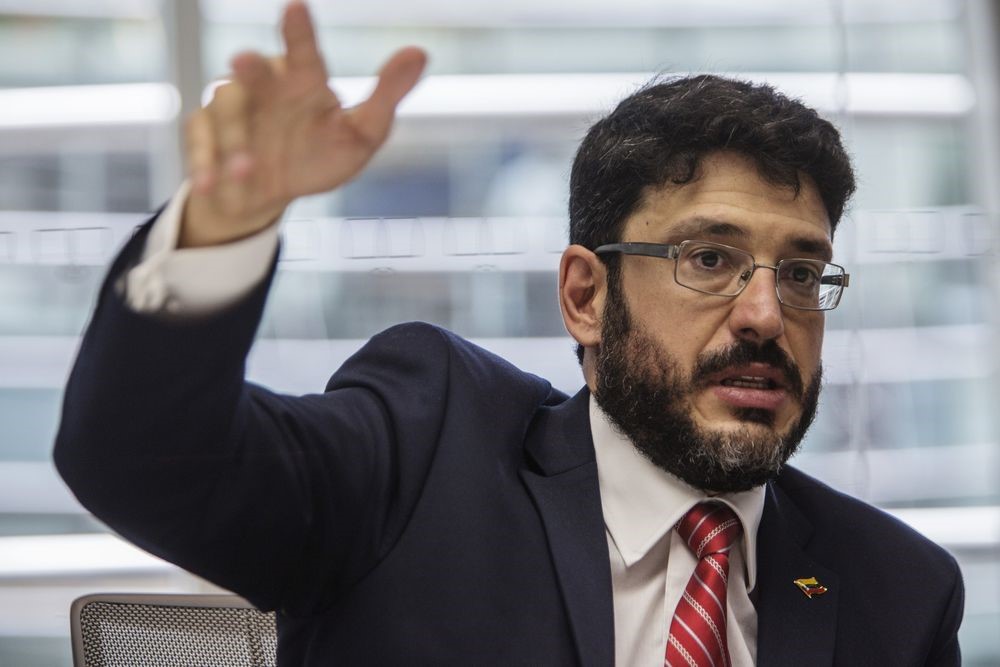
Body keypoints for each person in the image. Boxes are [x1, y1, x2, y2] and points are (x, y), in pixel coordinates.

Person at [54, 2, 963, 665]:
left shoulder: (899, 591)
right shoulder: (426, 452)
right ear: (585, 295)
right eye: (709, 258)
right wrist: (222, 233)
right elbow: (142, 459)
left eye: (800, 273)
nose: (766, 314)